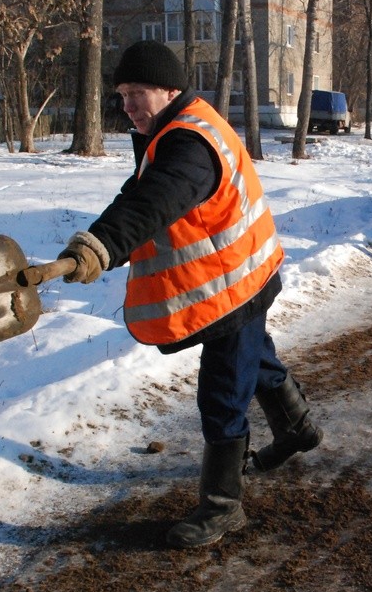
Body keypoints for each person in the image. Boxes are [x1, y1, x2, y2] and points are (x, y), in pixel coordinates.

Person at [58, 40, 324, 549]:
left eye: (138, 92)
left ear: (170, 88)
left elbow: (157, 200)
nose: (129, 106)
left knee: (224, 390)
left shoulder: (189, 144)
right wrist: (94, 242)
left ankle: (223, 507)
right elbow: (140, 192)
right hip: (244, 273)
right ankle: (296, 429)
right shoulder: (180, 127)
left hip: (235, 285)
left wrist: (106, 245)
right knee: (254, 360)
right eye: (122, 95)